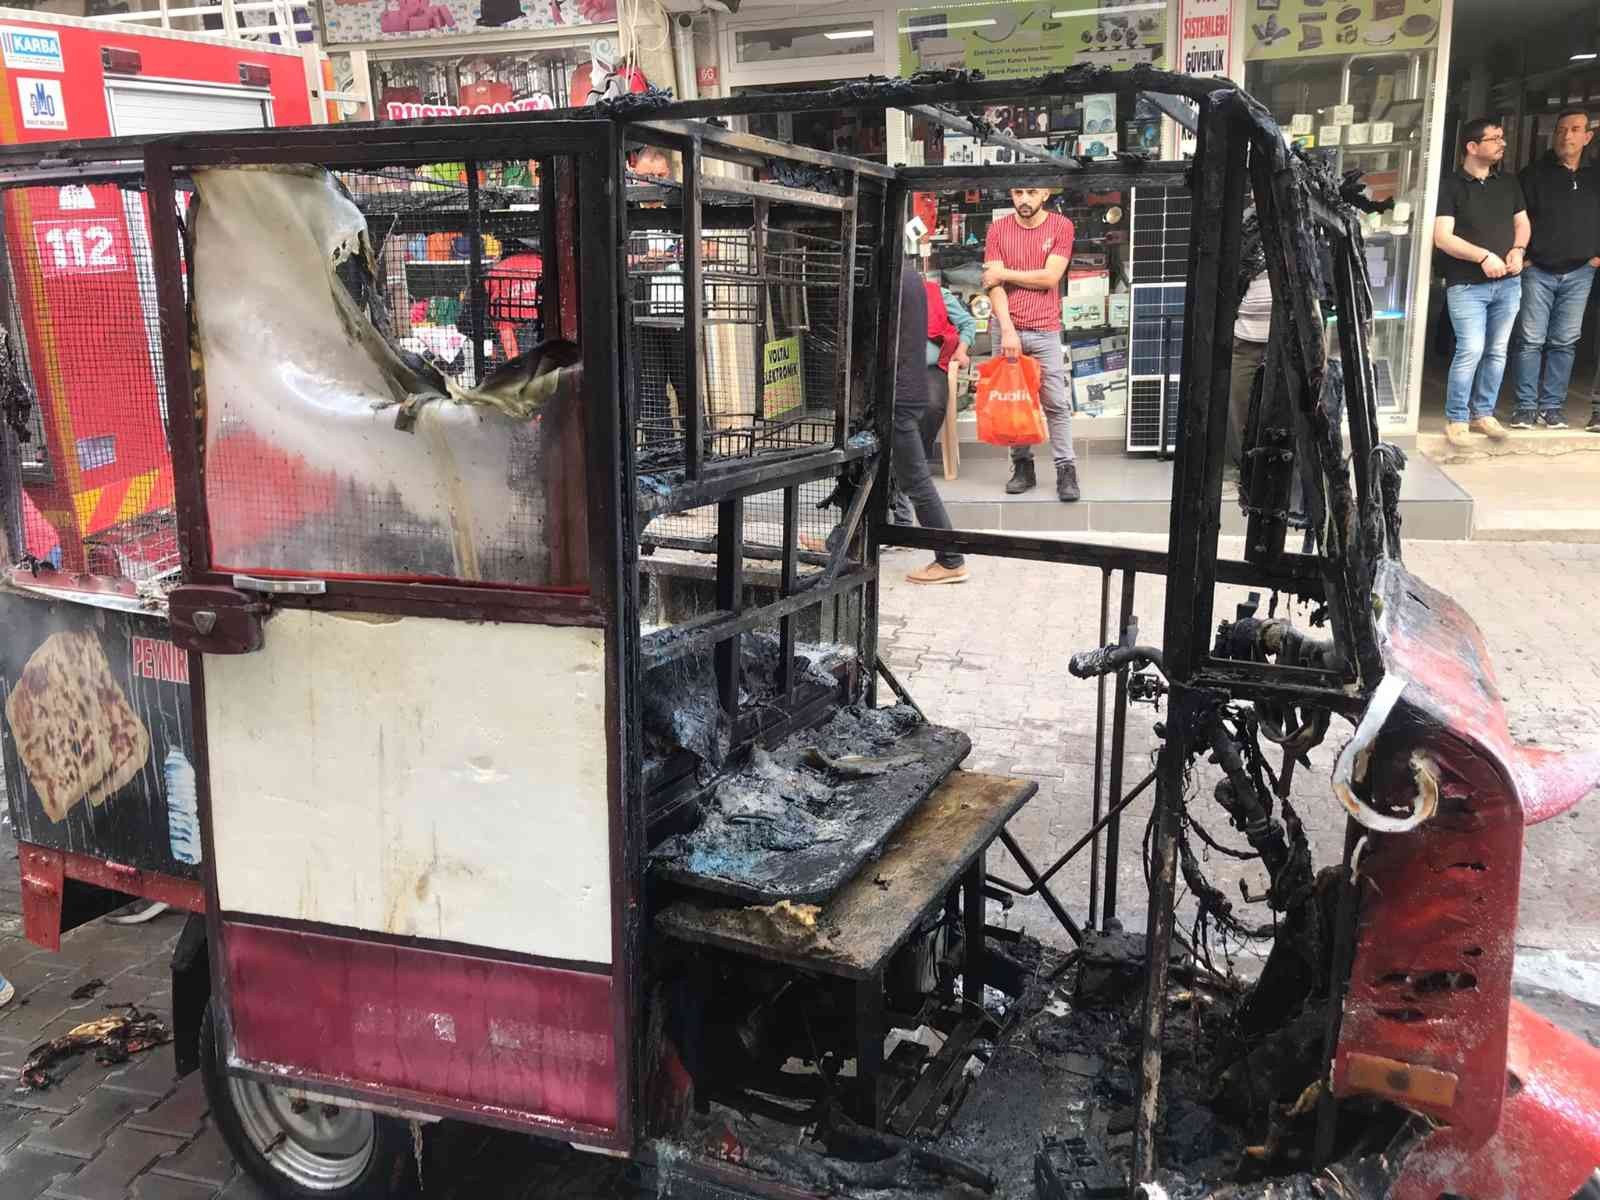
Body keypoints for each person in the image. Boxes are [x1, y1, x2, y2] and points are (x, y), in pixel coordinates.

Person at [1432, 118, 1528, 450]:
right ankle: (1457, 418)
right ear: (1472, 147)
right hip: (1466, 284)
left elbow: (1522, 223)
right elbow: (1442, 238)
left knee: (1497, 351)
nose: (1502, 143)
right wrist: (1484, 257)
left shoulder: (1509, 183)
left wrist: (1518, 249)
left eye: (1502, 138)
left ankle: (1483, 413)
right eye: (1495, 139)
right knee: (1471, 349)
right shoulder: (1450, 186)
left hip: (1509, 284)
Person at [981, 188, 1080, 501]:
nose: (1023, 199)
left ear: (1045, 194)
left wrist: (1005, 273)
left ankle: (1066, 469)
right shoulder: (997, 230)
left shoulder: (1061, 226)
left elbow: (1050, 278)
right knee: (1013, 401)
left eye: (1031, 193)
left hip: (1045, 328)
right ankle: (1022, 466)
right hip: (1007, 328)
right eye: (1017, 192)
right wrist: (1008, 330)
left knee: (1056, 403)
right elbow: (993, 286)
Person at [1510, 109, 1600, 431]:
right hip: (1538, 270)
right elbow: (1515, 218)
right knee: (1530, 340)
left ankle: (1552, 408)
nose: (1567, 136)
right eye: (1562, 129)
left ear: (1588, 136)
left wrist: (1595, 256)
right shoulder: (1532, 175)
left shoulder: (1595, 175)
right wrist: (1526, 257)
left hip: (1580, 272)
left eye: (1575, 129)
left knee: (1564, 341)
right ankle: (1524, 407)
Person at [897, 266, 968, 584]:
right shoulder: (909, 279)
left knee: (916, 480)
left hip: (902, 390)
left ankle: (950, 559)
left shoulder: (903, 284)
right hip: (907, 386)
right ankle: (845, 540)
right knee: (880, 469)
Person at [1227, 208, 1271, 484]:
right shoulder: (1245, 227)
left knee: (1279, 410)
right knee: (1239, 407)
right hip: (1244, 339)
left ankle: (1273, 473)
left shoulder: (1301, 226)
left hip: (1285, 342)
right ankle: (1246, 471)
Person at [923, 276, 976, 464]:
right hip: (894, 370)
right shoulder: (886, 297)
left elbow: (968, 324)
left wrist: (961, 350)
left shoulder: (938, 294)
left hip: (932, 368)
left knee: (932, 405)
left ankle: (916, 462)